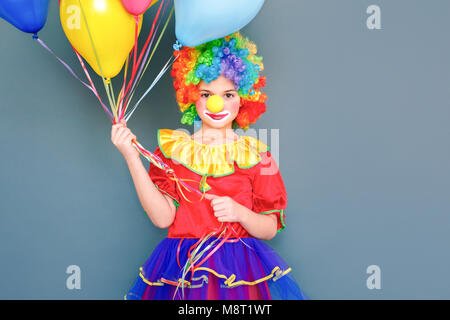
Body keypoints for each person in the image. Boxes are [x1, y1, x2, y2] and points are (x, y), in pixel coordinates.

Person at [113, 32, 310, 300]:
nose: (217, 103)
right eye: (206, 93)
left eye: (228, 94)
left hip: (238, 273)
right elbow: (162, 219)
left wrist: (240, 212)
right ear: (192, 95)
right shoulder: (173, 150)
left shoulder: (258, 155)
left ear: (244, 98)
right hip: (184, 271)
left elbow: (270, 228)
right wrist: (131, 156)